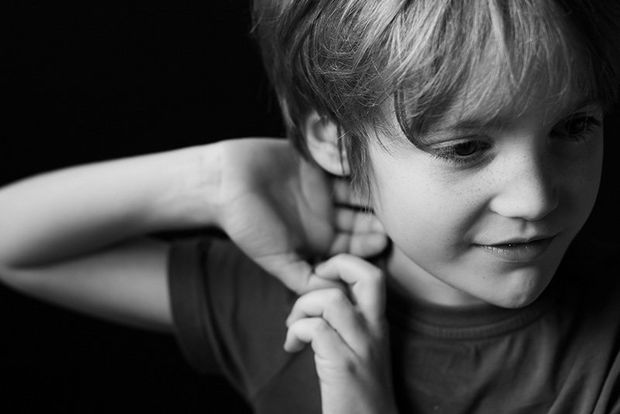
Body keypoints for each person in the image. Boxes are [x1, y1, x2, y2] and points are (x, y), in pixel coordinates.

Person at [1, 0, 620, 413]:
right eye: (464, 147)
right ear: (333, 141)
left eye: (573, 128)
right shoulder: (305, 306)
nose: (535, 198)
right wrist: (207, 180)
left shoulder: (604, 345)